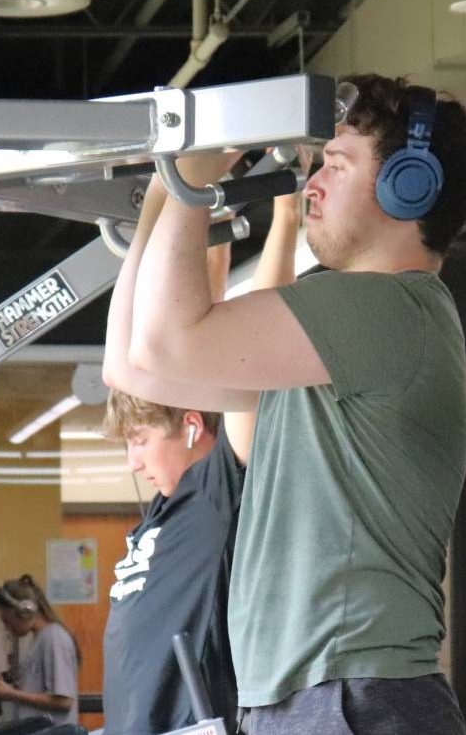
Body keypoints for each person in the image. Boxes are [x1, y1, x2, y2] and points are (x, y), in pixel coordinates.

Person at [122, 74, 466, 734]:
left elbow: (162, 343)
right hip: (315, 697)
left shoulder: (388, 309)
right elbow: (137, 368)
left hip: (352, 695)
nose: (312, 184)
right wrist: (168, 187)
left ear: (409, 185)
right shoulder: (341, 341)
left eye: (336, 165)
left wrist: (190, 178)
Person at [96, 166, 302, 732]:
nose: (133, 461)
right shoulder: (165, 508)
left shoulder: (218, 488)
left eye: (140, 440)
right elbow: (191, 311)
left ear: (190, 425)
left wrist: (286, 217)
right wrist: (202, 221)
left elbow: (255, 346)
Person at [0, 576, 81, 732]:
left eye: (7, 621)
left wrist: (11, 694)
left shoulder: (54, 638)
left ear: (23, 612)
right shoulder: (40, 639)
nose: (7, 628)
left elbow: (63, 701)